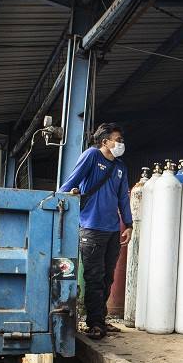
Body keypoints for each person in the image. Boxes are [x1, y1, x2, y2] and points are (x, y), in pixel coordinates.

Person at [60, 123, 133, 340]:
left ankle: (100, 318)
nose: (121, 144)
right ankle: (94, 324)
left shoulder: (120, 166)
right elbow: (70, 183)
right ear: (105, 142)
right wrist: (69, 194)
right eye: (117, 140)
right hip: (91, 228)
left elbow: (123, 198)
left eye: (121, 140)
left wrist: (128, 225)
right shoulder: (92, 156)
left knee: (107, 278)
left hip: (112, 230)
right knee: (93, 277)